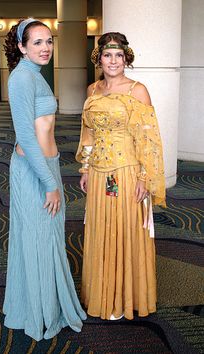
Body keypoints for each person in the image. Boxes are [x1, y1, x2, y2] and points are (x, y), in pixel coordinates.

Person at [3, 18, 86, 341]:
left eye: (49, 41)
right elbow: (25, 134)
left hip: (46, 165)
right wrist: (50, 184)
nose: (46, 47)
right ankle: (38, 311)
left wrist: (52, 174)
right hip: (32, 170)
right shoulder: (21, 78)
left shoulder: (36, 75)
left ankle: (47, 303)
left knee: (47, 237)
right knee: (38, 238)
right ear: (22, 47)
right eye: (37, 42)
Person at [76, 32, 166, 321]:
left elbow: (148, 139)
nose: (113, 61)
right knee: (101, 230)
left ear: (126, 58)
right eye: (107, 55)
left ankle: (126, 297)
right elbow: (88, 132)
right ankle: (102, 296)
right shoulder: (92, 90)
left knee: (125, 229)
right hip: (100, 174)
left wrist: (144, 177)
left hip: (127, 173)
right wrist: (86, 167)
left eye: (118, 55)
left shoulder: (137, 90)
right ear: (99, 58)